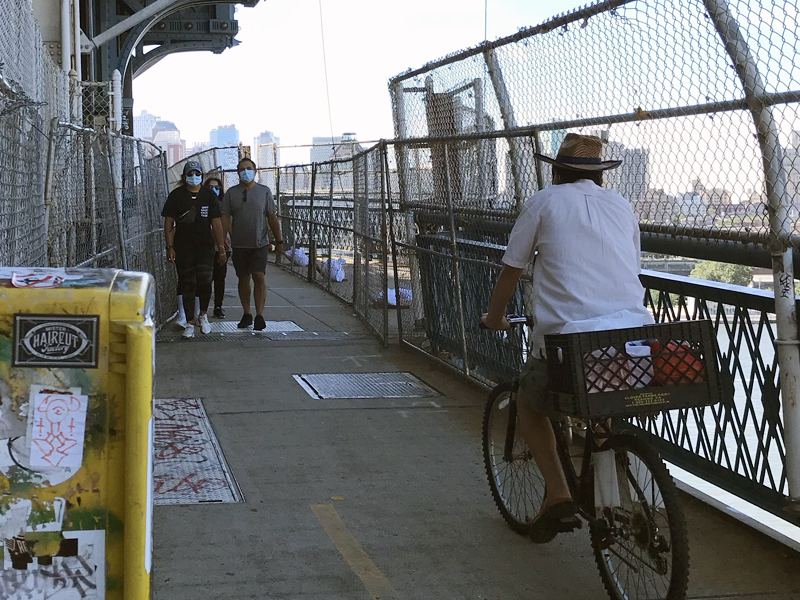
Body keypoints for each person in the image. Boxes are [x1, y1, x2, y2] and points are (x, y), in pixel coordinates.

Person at [480, 133, 652, 543]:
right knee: (602, 397)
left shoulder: (544, 202)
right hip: (633, 336)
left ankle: (558, 494)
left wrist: (495, 316)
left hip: (570, 343)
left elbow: (512, 268)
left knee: (528, 402)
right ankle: (608, 482)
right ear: (599, 175)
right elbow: (632, 265)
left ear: (556, 170)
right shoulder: (623, 206)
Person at [162, 160, 227, 338]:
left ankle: (203, 315)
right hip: (183, 246)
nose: (193, 177)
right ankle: (189, 322)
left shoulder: (208, 196)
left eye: (197, 173)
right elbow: (169, 222)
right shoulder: (176, 196)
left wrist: (221, 248)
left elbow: (216, 222)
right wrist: (170, 247)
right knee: (188, 282)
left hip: (205, 247)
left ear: (201, 175)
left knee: (205, 281)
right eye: (190, 174)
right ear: (184, 177)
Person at [221, 157, 283, 330]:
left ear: (255, 171)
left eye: (248, 168)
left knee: (259, 276)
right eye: (242, 169)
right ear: (238, 172)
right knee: (243, 278)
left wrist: (279, 240)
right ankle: (247, 313)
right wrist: (226, 236)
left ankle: (260, 315)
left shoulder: (264, 191)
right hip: (239, 245)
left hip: (260, 243)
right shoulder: (231, 193)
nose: (245, 171)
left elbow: (271, 216)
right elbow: (224, 216)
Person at [204, 176, 231, 318]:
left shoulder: (223, 206)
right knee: (205, 279)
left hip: (220, 248)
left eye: (217, 187)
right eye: (210, 187)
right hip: (205, 248)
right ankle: (202, 309)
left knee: (220, 278)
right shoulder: (201, 205)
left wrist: (225, 243)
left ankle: (218, 306)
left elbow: (226, 225)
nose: (213, 190)